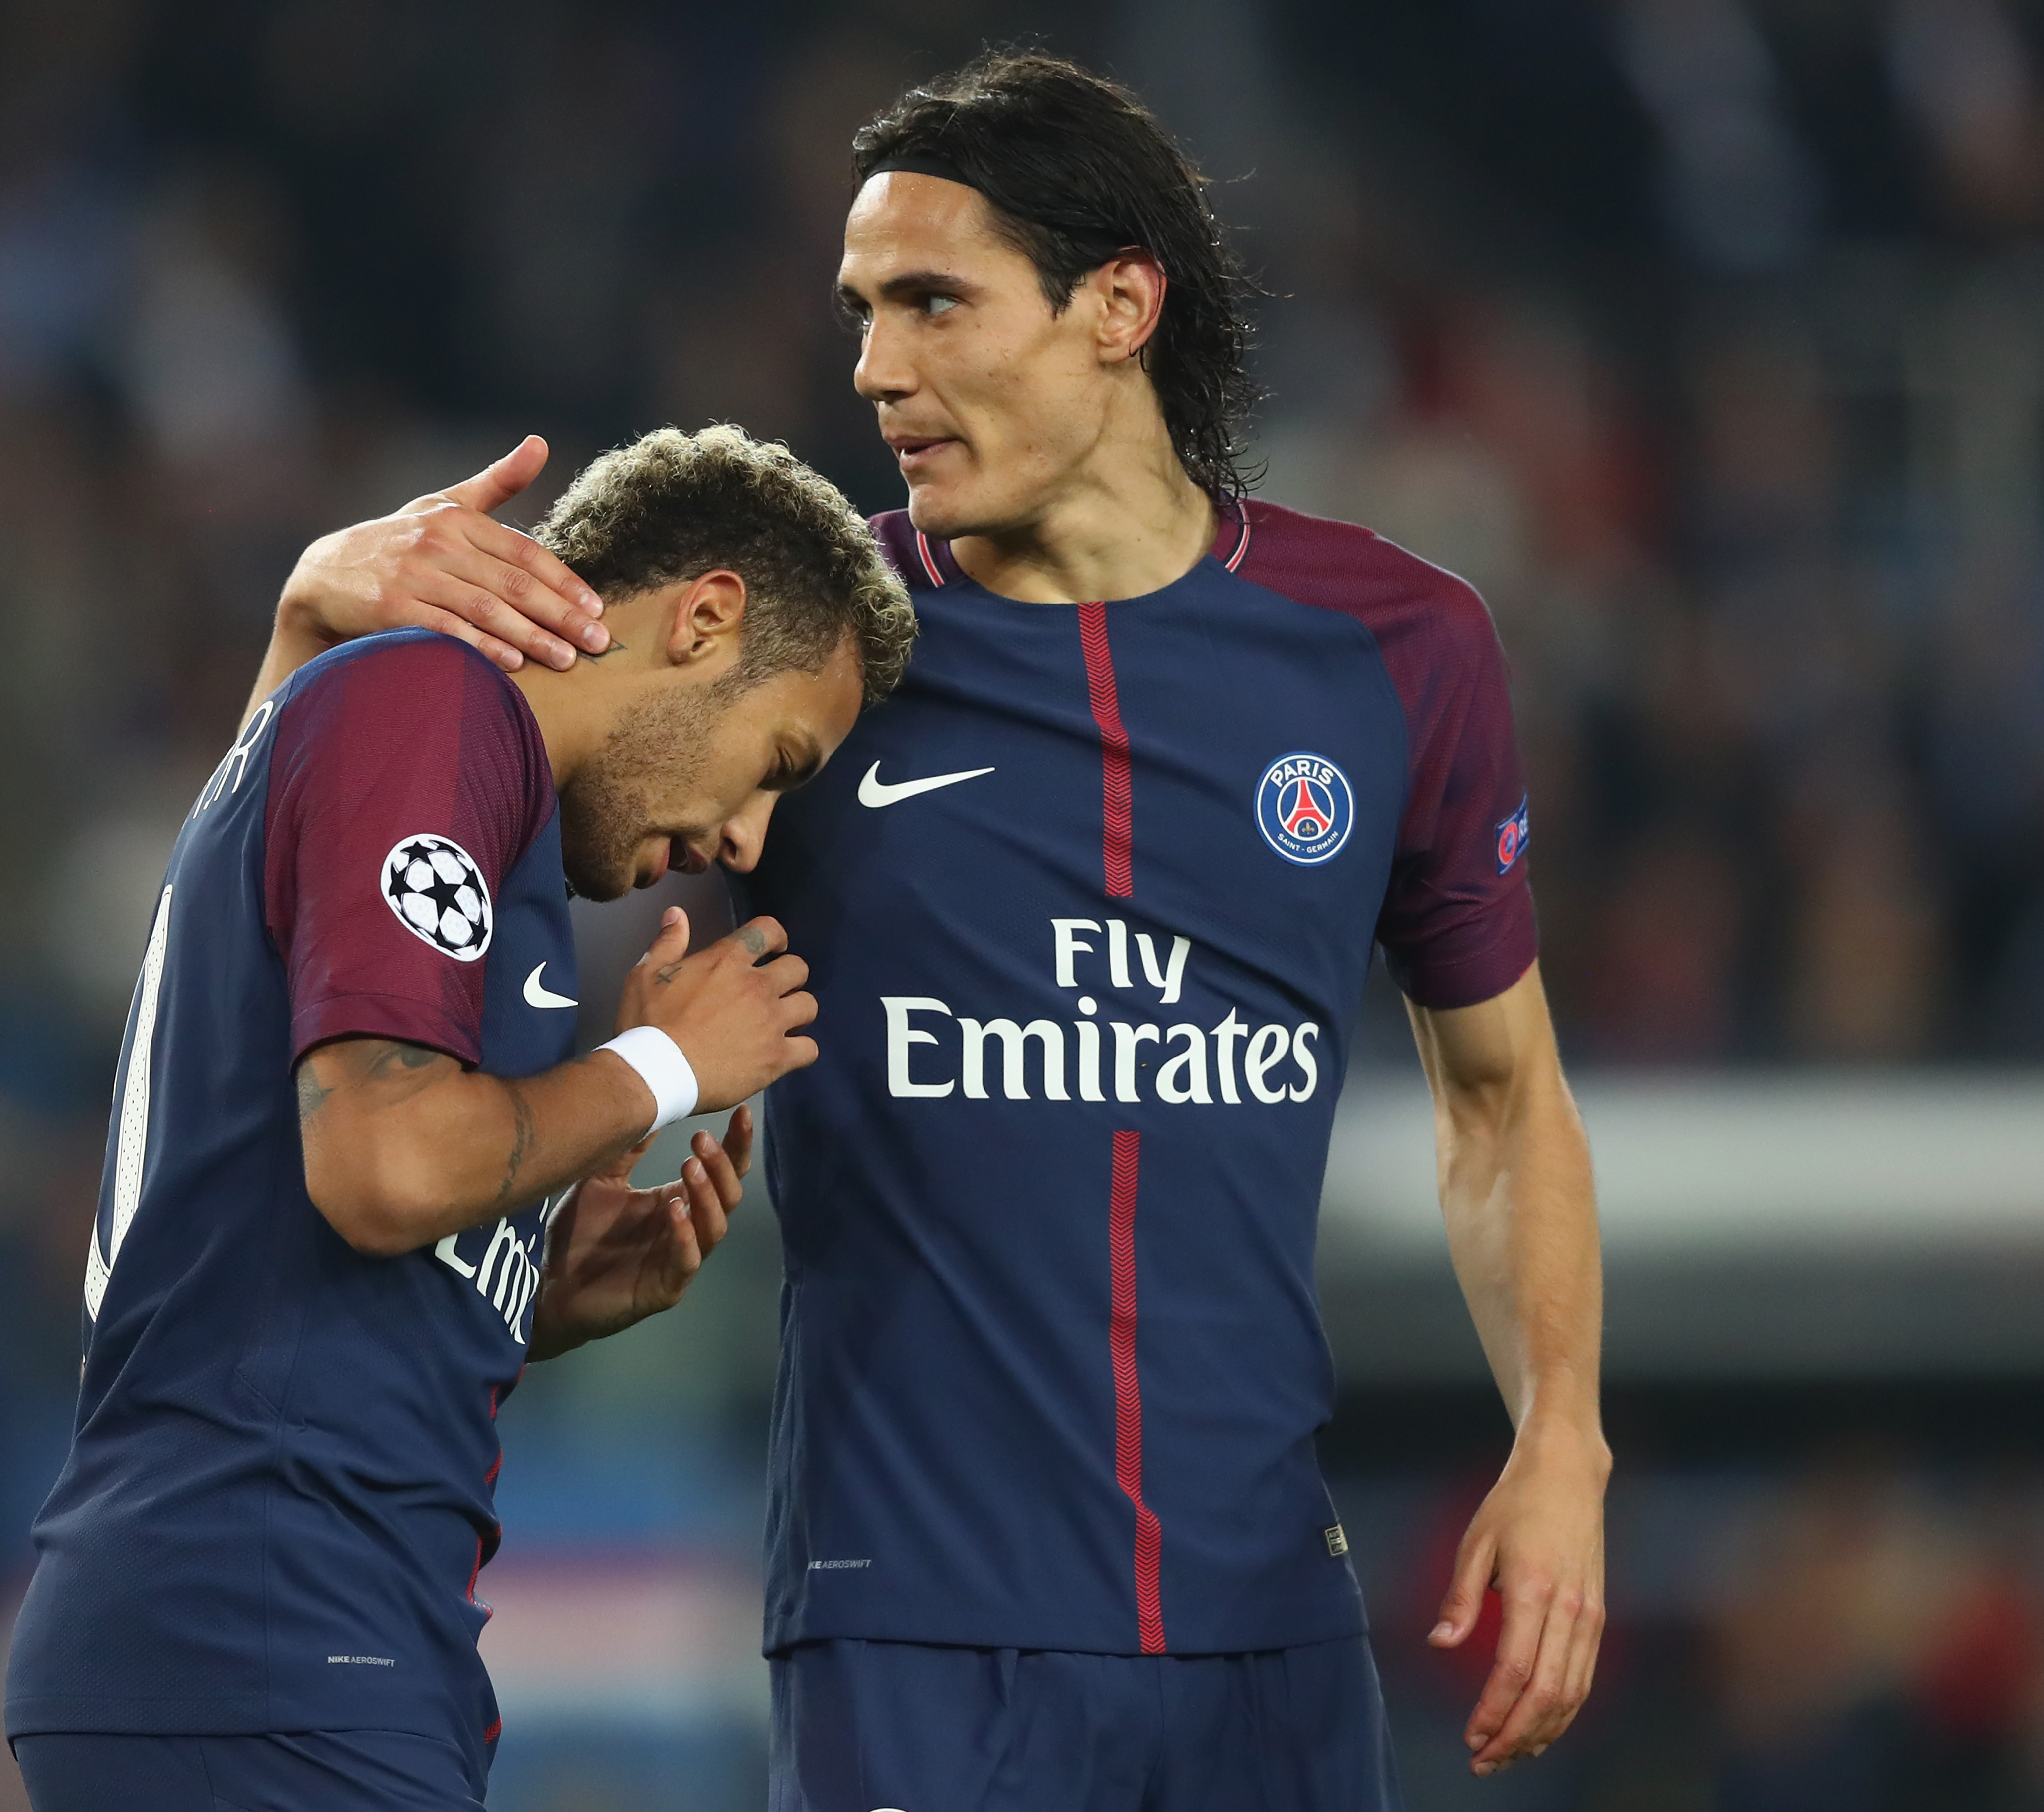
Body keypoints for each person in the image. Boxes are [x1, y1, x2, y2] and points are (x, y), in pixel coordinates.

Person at [275, 51, 1607, 1809]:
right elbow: (353, 858)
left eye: (931, 304)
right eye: (857, 313)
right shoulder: (795, 652)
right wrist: (316, 629)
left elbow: (1502, 1103)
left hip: (1272, 1634)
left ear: (1116, 305)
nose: (873, 370)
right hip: (911, 1634)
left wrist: (1562, 1444)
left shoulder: (1396, 651)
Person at [3, 425, 917, 1812]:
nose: (747, 838)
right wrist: (663, 1070)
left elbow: (290, 1223)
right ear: (706, 619)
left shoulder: (459, 797)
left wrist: (529, 1284)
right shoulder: (433, 707)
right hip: (260, 1632)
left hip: (289, 1641)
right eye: (779, 758)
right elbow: (383, 1167)